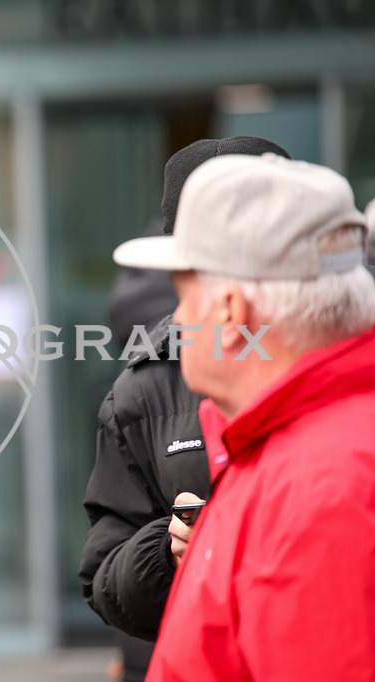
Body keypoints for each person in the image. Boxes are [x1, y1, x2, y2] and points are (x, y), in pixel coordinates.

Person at [113, 153, 375, 681]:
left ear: (231, 314)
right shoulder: (282, 451)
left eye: (184, 297)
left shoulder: (322, 488)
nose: (177, 319)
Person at [79, 136, 289, 682]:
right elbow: (104, 577)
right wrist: (166, 549)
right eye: (202, 263)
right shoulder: (142, 391)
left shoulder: (348, 358)